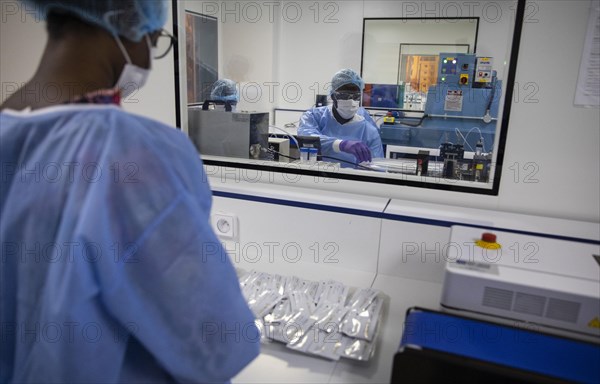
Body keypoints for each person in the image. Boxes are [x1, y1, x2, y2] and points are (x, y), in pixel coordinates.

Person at [0, 1, 259, 383]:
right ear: (130, 27)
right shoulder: (131, 153)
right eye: (155, 41)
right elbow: (212, 339)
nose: (148, 59)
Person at [298, 69, 384, 167]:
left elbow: (377, 164)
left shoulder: (367, 125)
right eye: (344, 95)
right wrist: (341, 145)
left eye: (356, 96)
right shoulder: (314, 116)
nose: (351, 101)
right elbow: (308, 139)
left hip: (353, 179)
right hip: (320, 175)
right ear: (333, 96)